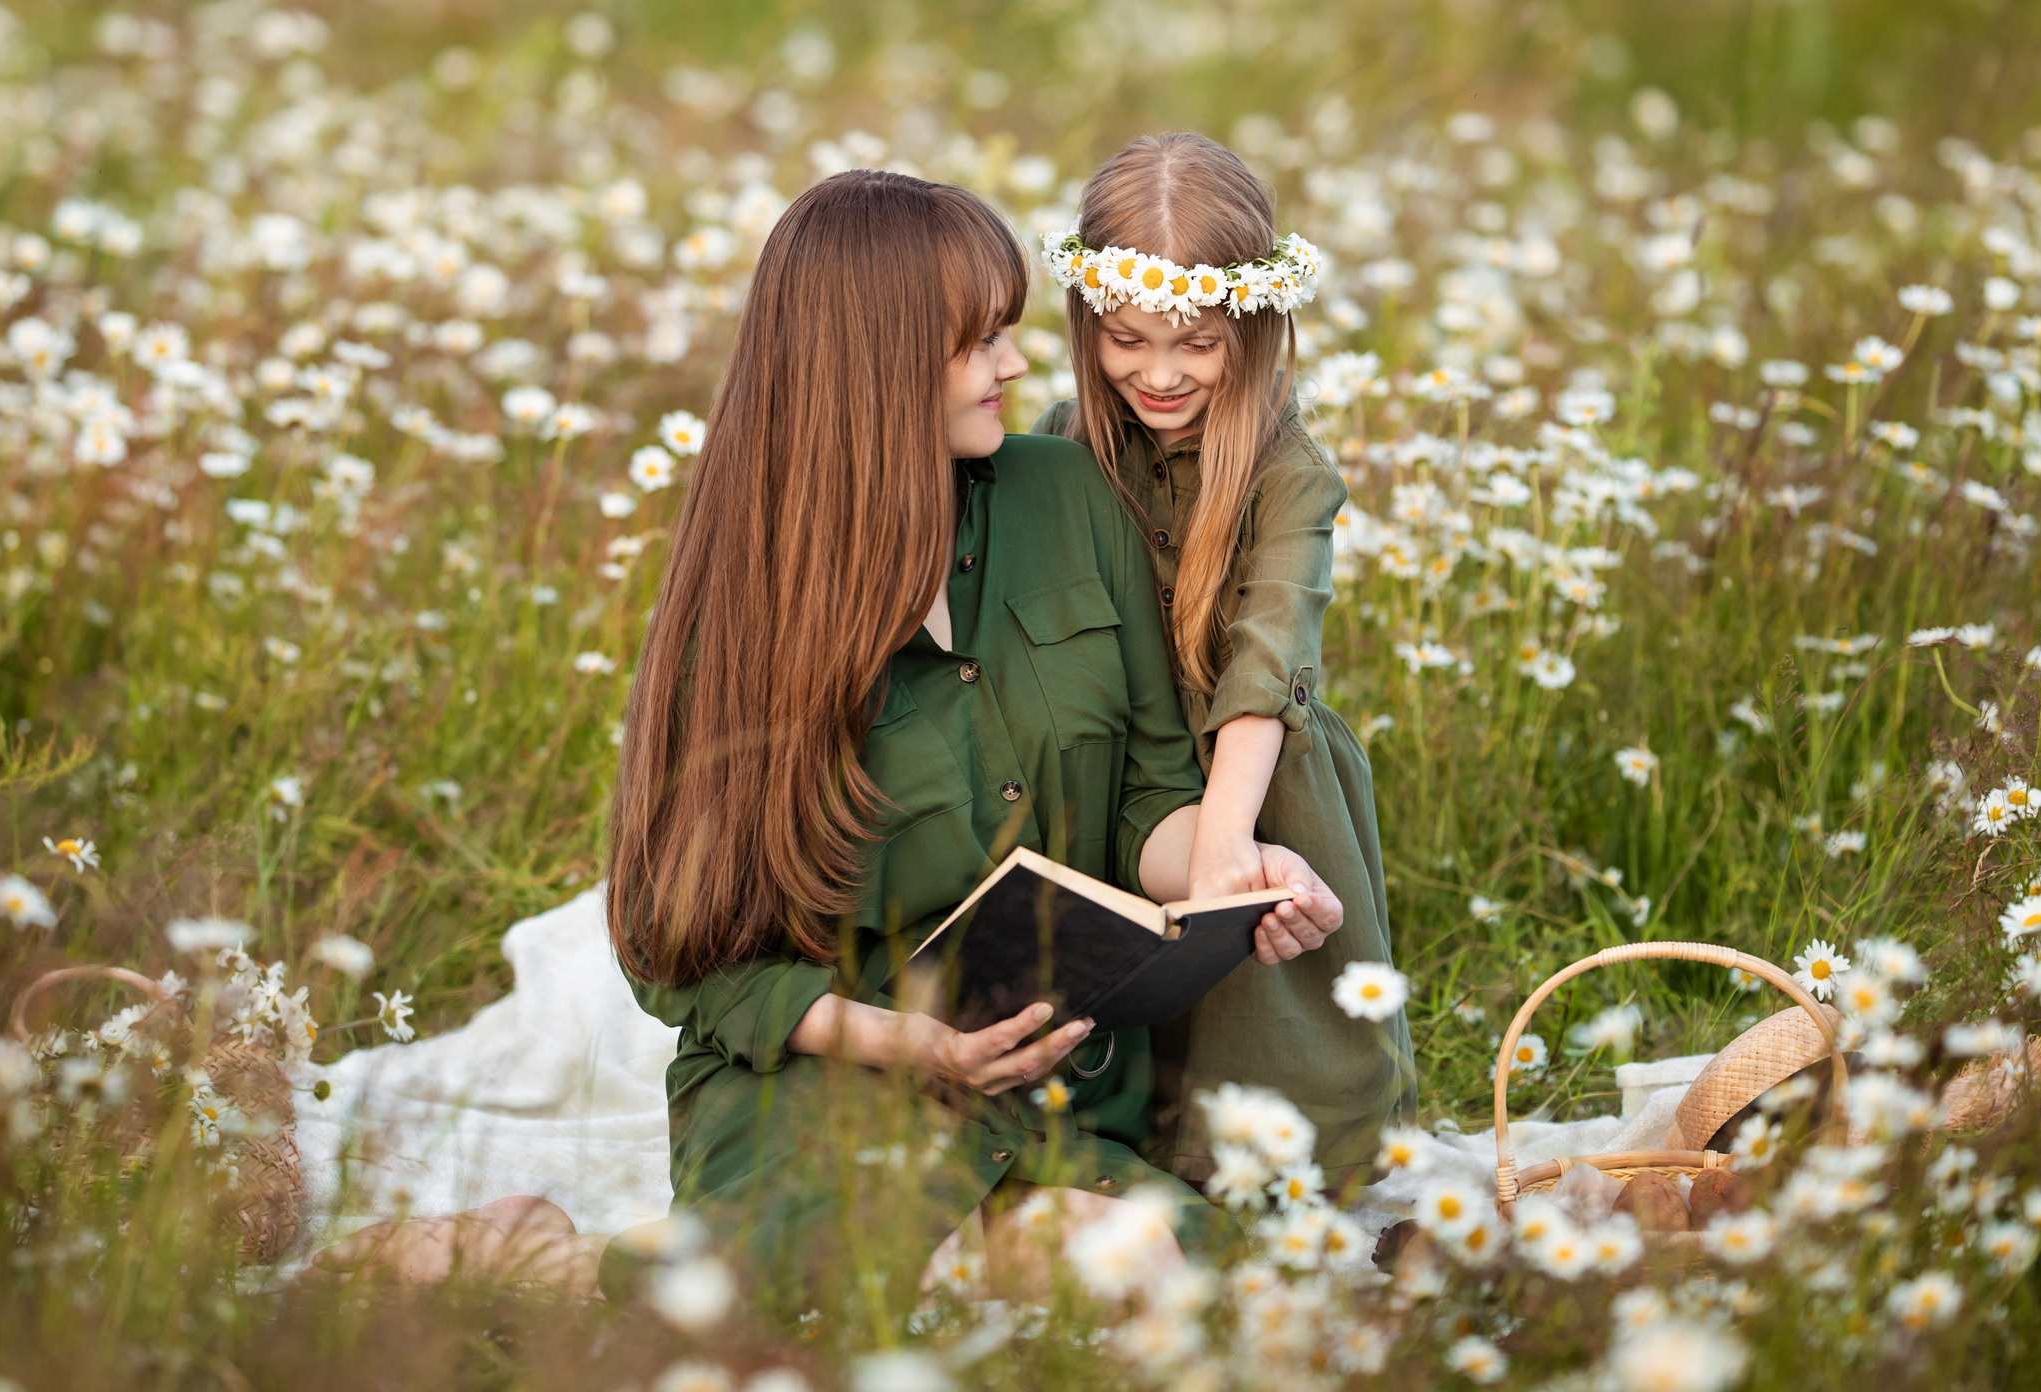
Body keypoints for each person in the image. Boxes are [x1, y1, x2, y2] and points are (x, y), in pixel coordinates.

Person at [314, 169, 1345, 1305]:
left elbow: (1154, 800)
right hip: (827, 1085)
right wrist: (917, 1048)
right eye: (981, 342)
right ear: (882, 365)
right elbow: (675, 951)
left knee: (1175, 1282)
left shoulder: (1070, 497)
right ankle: (529, 1258)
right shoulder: (748, 611)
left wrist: (1234, 872)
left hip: (1047, 1092)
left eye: (1010, 332)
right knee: (823, 1296)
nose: (1015, 365)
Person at [1030, 133, 1415, 1191]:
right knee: (1105, 1024)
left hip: (1255, 772)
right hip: (1106, 759)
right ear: (1087, 325)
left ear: (1255, 327)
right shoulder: (1064, 444)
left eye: (1196, 345)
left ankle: (1275, 1146)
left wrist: (1227, 843)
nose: (1158, 373)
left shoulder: (1290, 475)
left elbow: (1266, 661)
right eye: (1127, 339)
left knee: (1263, 1056)